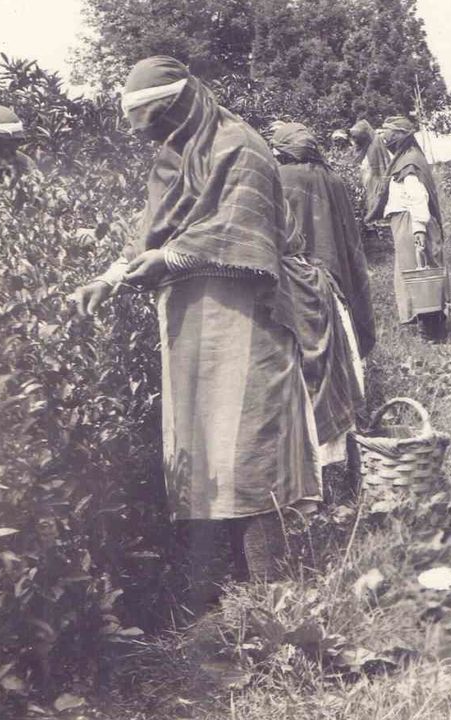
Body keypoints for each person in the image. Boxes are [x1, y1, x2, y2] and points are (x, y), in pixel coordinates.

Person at [69, 56, 320, 587]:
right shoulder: (173, 156)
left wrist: (170, 259)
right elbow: (151, 233)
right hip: (192, 321)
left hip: (249, 313)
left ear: (182, 106)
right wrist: (109, 279)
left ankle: (274, 588)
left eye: (159, 122)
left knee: (251, 442)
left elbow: (243, 229)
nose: (154, 136)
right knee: (204, 441)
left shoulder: (240, 146)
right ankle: (226, 582)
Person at [270, 122, 375, 453]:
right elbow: (347, 236)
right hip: (333, 277)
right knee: (343, 352)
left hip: (293, 280)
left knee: (303, 361)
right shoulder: (333, 179)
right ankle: (350, 430)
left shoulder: (280, 179)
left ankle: (309, 446)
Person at [377, 115, 448, 342]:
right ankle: (431, 327)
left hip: (411, 223)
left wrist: (418, 229)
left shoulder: (409, 163)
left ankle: (430, 332)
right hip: (406, 223)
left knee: (419, 275)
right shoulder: (406, 159)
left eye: (388, 133)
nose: (385, 138)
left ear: (399, 136)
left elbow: (418, 197)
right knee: (417, 273)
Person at [350, 119, 391, 222]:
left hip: (376, 177)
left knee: (375, 199)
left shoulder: (376, 142)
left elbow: (382, 163)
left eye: (357, 137)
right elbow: (356, 159)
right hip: (366, 177)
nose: (356, 140)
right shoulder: (363, 145)